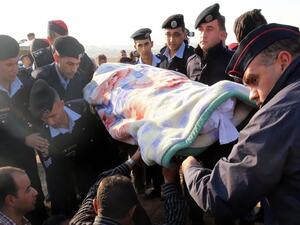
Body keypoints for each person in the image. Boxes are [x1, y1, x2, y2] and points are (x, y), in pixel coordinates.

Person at [182, 23, 300, 225]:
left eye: (254, 80)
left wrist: (190, 168)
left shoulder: (279, 114)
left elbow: (220, 196)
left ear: (283, 61)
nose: (252, 95)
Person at [29, 79, 122, 216]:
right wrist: (61, 214)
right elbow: (56, 179)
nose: (51, 122)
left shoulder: (86, 108)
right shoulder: (44, 139)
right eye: (45, 119)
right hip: (86, 188)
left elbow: (109, 142)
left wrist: (121, 173)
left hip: (111, 172)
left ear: (61, 104)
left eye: (53, 115)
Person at [0, 35, 48, 225]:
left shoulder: (26, 84)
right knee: (11, 207)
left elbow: (34, 116)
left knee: (34, 197)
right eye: (8, 65)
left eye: (16, 63)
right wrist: (24, 138)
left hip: (28, 158)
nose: (15, 69)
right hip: (3, 164)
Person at [70, 149, 187, 225]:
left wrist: (133, 160)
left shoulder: (78, 222)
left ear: (95, 205)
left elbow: (97, 185)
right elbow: (175, 220)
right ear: (132, 212)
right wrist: (169, 180)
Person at [187, 3, 233, 85]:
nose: (203, 35)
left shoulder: (233, 61)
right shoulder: (191, 62)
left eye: (209, 29)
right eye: (201, 30)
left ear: (222, 35)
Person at [33, 36, 88, 101]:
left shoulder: (80, 77)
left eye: (77, 64)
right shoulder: (41, 78)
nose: (74, 70)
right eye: (70, 64)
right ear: (56, 58)